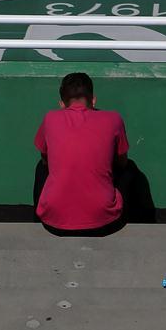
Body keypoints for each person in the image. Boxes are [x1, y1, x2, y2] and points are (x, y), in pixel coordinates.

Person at [33, 72, 153, 236]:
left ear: (61, 104)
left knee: (41, 167)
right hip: (104, 223)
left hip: (54, 224)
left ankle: (37, 218)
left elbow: (45, 161)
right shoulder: (113, 119)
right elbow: (122, 163)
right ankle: (145, 223)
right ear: (94, 99)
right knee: (131, 169)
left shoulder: (50, 118)